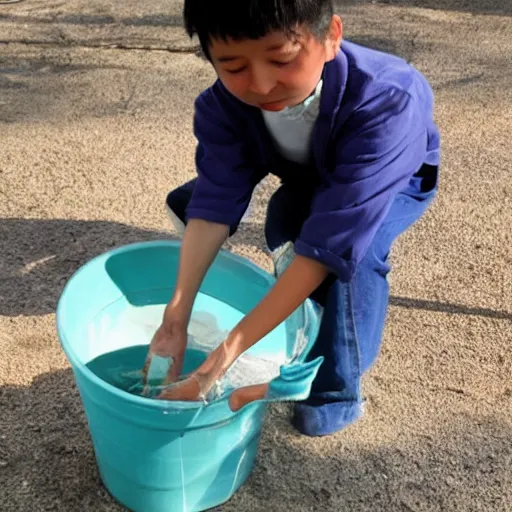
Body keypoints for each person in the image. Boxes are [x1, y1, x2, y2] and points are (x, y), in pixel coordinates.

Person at [143, 0, 440, 437]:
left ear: (332, 36)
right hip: (304, 167)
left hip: (386, 178)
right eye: (232, 65)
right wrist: (175, 320)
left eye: (282, 59)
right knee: (280, 219)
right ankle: (293, 285)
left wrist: (224, 358)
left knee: (349, 264)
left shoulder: (388, 100)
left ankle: (335, 390)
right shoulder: (220, 106)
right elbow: (211, 210)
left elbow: (330, 245)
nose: (261, 85)